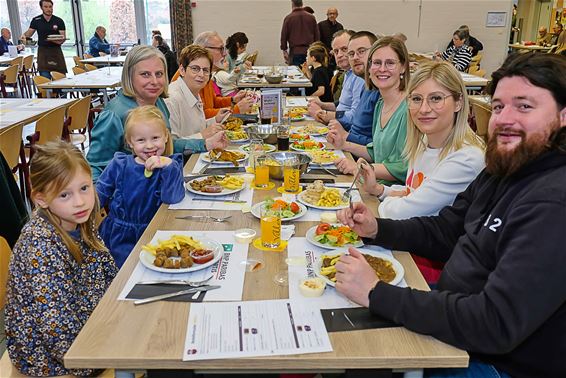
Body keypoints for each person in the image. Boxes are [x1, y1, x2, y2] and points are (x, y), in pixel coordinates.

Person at [335, 52, 566, 377]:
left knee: (362, 353)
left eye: (524, 106)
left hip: (493, 362)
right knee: (345, 330)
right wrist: (376, 228)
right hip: (454, 311)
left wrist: (377, 293)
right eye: (499, 107)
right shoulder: (504, 170)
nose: (505, 118)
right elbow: (445, 231)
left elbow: (494, 322)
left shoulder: (553, 202)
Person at [359, 61, 485, 283]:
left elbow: (401, 212)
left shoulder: (466, 158)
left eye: (436, 98)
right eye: (416, 99)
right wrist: (381, 191)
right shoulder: (425, 141)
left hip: (436, 266)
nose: (424, 109)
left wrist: (389, 202)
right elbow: (414, 193)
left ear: (458, 103)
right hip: (411, 245)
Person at [5, 140, 117, 376]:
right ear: (42, 199)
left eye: (84, 188)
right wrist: (98, 358)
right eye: (65, 194)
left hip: (87, 323)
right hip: (49, 358)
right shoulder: (41, 247)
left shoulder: (79, 218)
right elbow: (56, 331)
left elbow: (107, 272)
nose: (79, 201)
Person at [87, 45, 226, 181]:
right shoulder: (114, 114)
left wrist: (205, 144)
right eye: (145, 74)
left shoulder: (159, 102)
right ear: (129, 76)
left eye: (159, 74)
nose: (154, 81)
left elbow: (168, 145)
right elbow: (96, 168)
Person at [96, 106, 185, 267]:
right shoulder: (119, 164)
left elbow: (173, 197)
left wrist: (168, 166)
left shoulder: (171, 165)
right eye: (141, 140)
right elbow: (99, 194)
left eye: (155, 138)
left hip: (156, 233)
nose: (149, 146)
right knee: (122, 275)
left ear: (166, 136)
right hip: (120, 236)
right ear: (130, 142)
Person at [334, 36, 409, 186]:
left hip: (392, 195)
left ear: (403, 67)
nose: (382, 69)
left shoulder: (410, 108)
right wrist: (344, 144)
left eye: (390, 63)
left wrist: (360, 168)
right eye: (376, 63)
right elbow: (377, 152)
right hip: (374, 184)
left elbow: (404, 168)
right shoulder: (381, 104)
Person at [326, 31, 379, 147]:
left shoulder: (381, 92)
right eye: (351, 53)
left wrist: (344, 135)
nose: (355, 57)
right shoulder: (366, 86)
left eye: (361, 52)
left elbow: (378, 148)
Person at [166, 45, 228, 140]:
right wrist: (202, 135)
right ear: (182, 70)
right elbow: (171, 144)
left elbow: (197, 128)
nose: (201, 75)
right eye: (195, 68)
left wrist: (215, 120)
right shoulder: (172, 99)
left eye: (206, 70)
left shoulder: (193, 89)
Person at [307, 30, 364, 128]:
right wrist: (322, 104)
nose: (339, 55)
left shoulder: (359, 77)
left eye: (344, 49)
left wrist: (322, 114)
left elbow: (355, 117)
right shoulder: (348, 73)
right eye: (336, 51)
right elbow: (342, 104)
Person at [193, 31, 253, 118]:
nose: (225, 53)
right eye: (220, 49)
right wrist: (236, 109)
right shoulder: (194, 75)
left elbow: (214, 102)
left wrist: (232, 100)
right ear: (204, 50)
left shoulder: (207, 72)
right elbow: (202, 114)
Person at [20, 0, 67, 79]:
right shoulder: (36, 20)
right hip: (43, 52)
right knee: (45, 80)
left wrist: (53, 40)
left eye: (50, 7)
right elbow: (29, 33)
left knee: (61, 80)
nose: (49, 9)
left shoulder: (59, 21)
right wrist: (23, 36)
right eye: (46, 7)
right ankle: (47, 92)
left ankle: (60, 92)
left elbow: (62, 38)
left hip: (56, 51)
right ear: (41, 8)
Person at [280, 0, 319, 66]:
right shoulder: (311, 18)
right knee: (308, 74)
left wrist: (284, 50)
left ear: (292, 4)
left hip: (295, 52)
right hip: (309, 51)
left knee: (295, 74)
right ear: (302, 4)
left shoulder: (288, 18)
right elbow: (317, 36)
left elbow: (284, 36)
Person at [318, 7, 343, 73]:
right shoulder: (321, 25)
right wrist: (328, 51)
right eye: (330, 14)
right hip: (324, 55)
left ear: (337, 15)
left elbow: (341, 41)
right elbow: (318, 41)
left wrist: (335, 50)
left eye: (334, 14)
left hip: (335, 55)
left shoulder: (340, 26)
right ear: (327, 15)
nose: (332, 15)